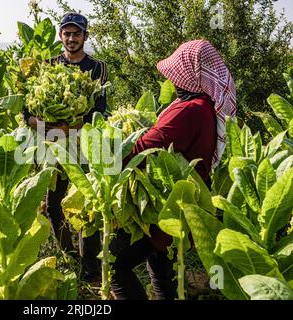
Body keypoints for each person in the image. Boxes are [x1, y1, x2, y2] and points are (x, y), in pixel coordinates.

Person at [111, 40, 237, 299]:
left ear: (192, 78)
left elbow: (144, 149)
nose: (173, 80)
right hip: (180, 203)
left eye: (177, 75)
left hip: (169, 206)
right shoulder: (203, 106)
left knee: (117, 268)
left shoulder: (190, 110)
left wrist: (109, 155)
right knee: (159, 269)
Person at [23, 12, 108, 283]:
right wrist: (40, 124)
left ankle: (90, 268)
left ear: (85, 36)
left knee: (86, 202)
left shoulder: (97, 68)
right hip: (51, 145)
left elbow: (99, 112)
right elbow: (28, 112)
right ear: (60, 36)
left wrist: (71, 127)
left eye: (77, 34)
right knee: (54, 205)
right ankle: (69, 256)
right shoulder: (46, 66)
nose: (71, 38)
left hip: (85, 146)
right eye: (67, 33)